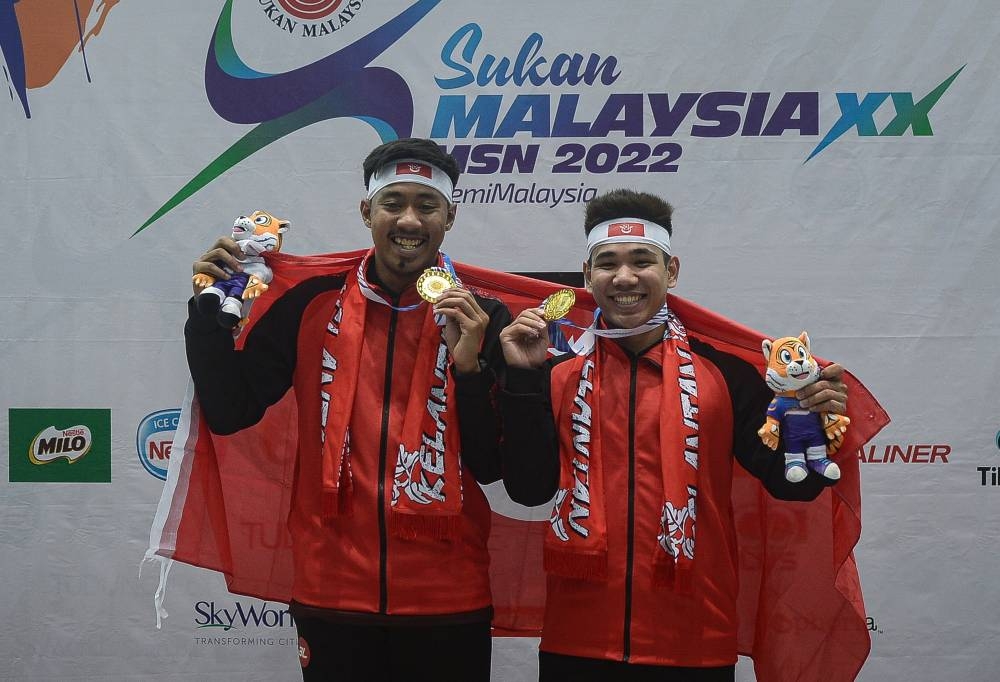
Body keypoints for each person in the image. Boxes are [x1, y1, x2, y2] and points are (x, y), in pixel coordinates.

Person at [185, 138, 509, 681]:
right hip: (330, 589)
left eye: (426, 205)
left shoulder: (481, 315)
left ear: (449, 217)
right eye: (393, 202)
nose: (409, 219)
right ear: (367, 212)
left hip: (448, 595)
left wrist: (470, 370)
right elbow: (230, 411)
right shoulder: (306, 303)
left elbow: (493, 465)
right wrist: (207, 311)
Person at [494, 189, 851, 681]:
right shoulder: (556, 371)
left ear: (672, 270)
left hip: (695, 642)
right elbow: (528, 488)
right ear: (587, 275)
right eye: (607, 263)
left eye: (642, 261)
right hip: (576, 642)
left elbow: (794, 484)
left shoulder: (727, 372)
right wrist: (520, 382)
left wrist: (819, 420)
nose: (624, 278)